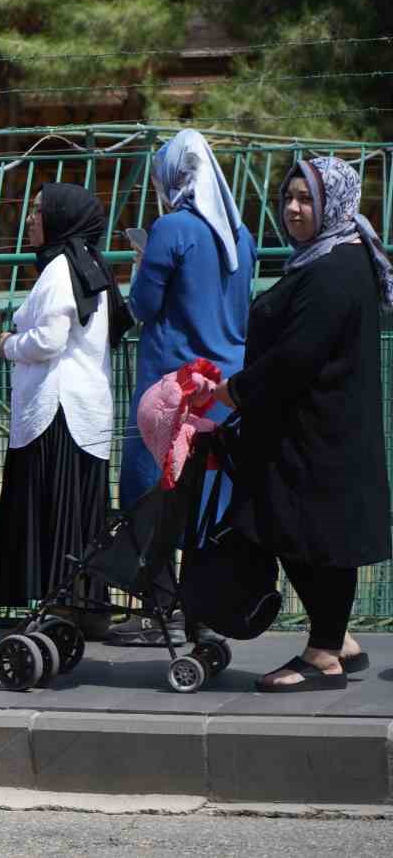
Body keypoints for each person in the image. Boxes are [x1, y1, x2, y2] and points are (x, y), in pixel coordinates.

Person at [214, 157, 391, 693]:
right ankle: (336, 638)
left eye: (306, 199)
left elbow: (297, 356)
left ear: (332, 205)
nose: (293, 208)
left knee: (303, 532)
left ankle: (324, 654)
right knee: (298, 529)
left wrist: (235, 391)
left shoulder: (334, 268)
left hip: (315, 433)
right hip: (309, 429)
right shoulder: (328, 257)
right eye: (289, 197)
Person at [113, 128, 257, 646]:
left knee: (153, 494)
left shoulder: (171, 227)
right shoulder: (242, 234)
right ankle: (204, 608)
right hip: (225, 387)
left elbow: (145, 306)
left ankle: (157, 609)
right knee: (208, 499)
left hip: (173, 385)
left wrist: (140, 264)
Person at [0, 183, 125, 637]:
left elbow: (48, 340)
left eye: (38, 211)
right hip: (84, 409)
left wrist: (8, 344)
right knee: (80, 513)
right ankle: (85, 606)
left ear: (61, 218)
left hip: (58, 411)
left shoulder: (62, 269)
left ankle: (62, 609)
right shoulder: (87, 264)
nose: (30, 220)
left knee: (57, 508)